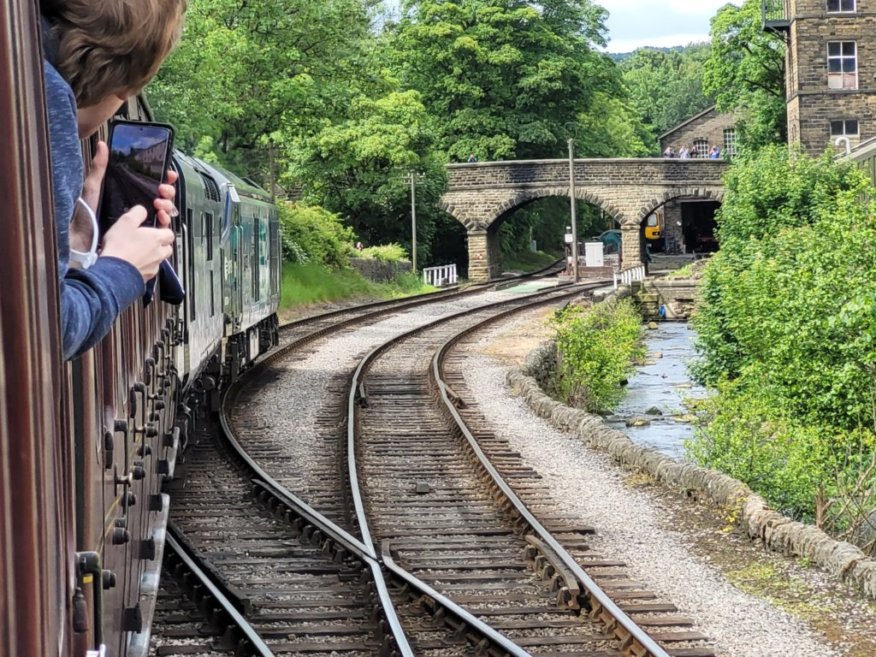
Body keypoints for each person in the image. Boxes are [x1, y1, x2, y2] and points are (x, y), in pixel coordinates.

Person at [40, 0, 186, 360]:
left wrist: (78, 237)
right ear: (126, 85)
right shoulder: (45, 96)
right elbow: (46, 332)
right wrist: (123, 270)